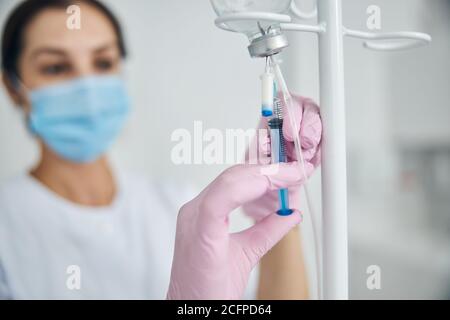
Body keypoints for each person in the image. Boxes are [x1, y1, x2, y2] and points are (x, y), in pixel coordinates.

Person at [0, 0, 322, 300]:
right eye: (56, 67)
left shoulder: (181, 207)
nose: (88, 87)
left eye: (102, 62)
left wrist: (276, 215)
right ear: (13, 88)